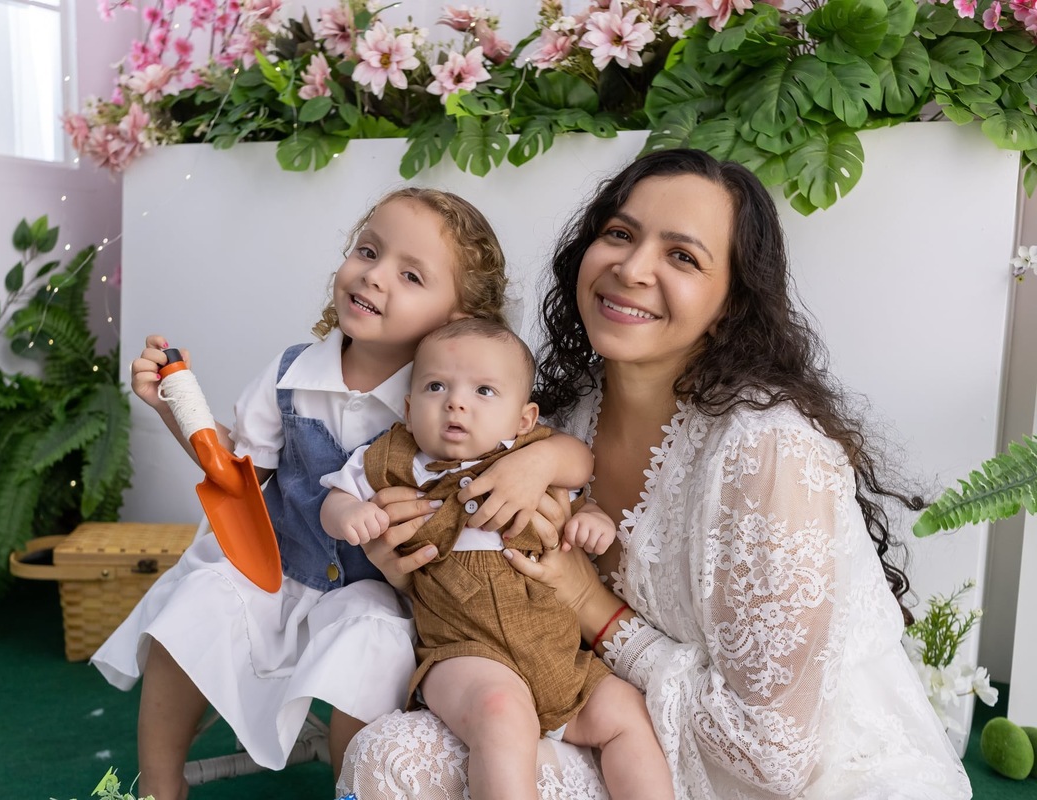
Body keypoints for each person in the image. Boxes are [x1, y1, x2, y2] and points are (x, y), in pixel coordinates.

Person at [338, 150, 973, 799]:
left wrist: (591, 605)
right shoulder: (559, 417)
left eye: (683, 256)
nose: (632, 268)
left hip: (799, 776)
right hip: (627, 730)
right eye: (619, 234)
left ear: (732, 303)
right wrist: (407, 562)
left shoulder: (769, 454)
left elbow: (776, 755)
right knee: (392, 758)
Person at [91, 188, 528, 800]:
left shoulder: (455, 403)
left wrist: (549, 462)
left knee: (370, 644)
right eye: (367, 251)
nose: (374, 276)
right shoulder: (291, 373)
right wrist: (175, 408)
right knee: (198, 602)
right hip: (280, 565)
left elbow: (531, 450)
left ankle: (355, 785)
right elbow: (237, 470)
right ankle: (158, 789)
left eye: (410, 274)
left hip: (374, 587)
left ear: (459, 317)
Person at [320, 318, 673, 800]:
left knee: (627, 715)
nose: (456, 402)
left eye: (484, 390)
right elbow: (336, 493)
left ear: (524, 419)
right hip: (464, 651)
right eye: (436, 386)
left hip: (557, 655)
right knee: (501, 712)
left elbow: (577, 470)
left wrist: (590, 519)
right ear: (408, 407)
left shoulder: (527, 456)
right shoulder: (398, 457)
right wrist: (349, 515)